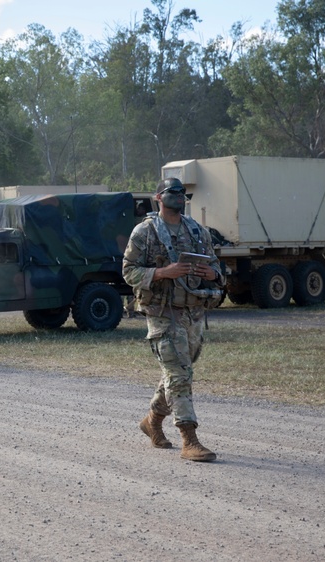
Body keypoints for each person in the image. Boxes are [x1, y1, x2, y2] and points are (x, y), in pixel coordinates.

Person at [122, 177, 224, 462]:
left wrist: (212, 274)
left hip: (193, 313)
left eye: (183, 192)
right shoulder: (145, 232)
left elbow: (215, 265)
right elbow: (128, 272)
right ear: (159, 197)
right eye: (173, 192)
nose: (179, 196)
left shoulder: (196, 230)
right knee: (179, 376)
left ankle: (152, 421)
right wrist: (163, 272)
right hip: (162, 314)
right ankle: (189, 440)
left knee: (178, 373)